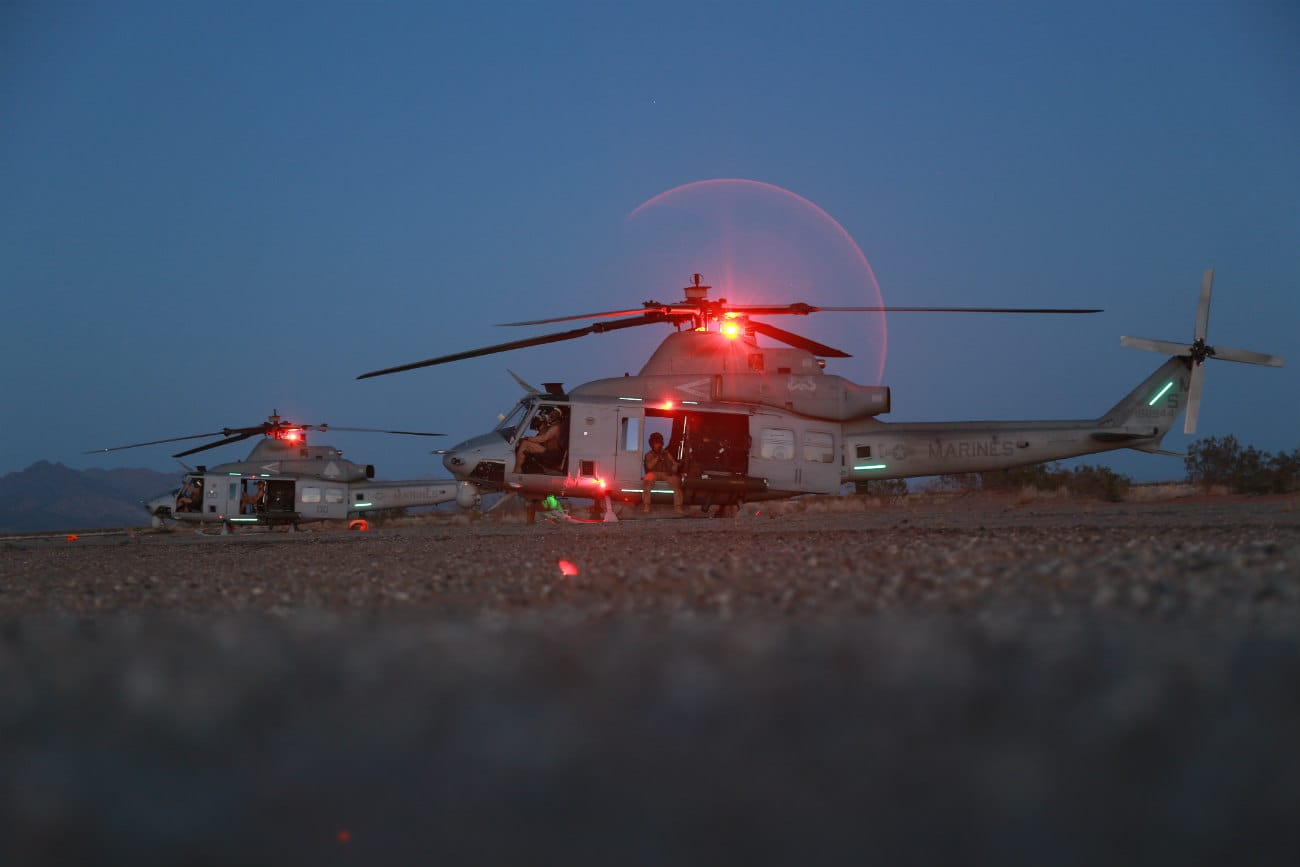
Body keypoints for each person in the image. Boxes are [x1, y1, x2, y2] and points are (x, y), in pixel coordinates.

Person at [643, 432, 684, 513]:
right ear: (652, 444)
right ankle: (646, 506)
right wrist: (658, 456)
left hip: (666, 473)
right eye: (656, 443)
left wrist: (676, 465)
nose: (658, 445)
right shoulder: (648, 454)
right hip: (653, 473)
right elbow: (649, 466)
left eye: (659, 443)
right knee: (647, 481)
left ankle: (678, 507)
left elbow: (673, 464)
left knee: (677, 482)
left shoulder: (666, 453)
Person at [513, 408, 563, 473]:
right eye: (551, 413)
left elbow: (543, 438)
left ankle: (517, 471)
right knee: (525, 443)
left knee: (525, 444)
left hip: (552, 454)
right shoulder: (552, 427)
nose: (550, 415)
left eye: (554, 414)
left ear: (558, 417)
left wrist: (527, 438)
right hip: (550, 452)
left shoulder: (556, 427)